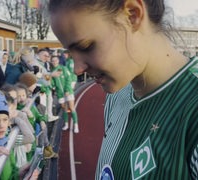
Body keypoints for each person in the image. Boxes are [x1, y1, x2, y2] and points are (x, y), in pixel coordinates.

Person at [48, 0, 198, 179]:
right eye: (71, 54)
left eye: (86, 46)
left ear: (132, 14)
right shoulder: (117, 93)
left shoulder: (192, 109)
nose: (77, 69)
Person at [0, 91, 39, 180]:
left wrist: (19, 174)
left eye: (5, 119)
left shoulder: (6, 139)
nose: (1, 125)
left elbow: (10, 174)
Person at [50, 56, 79, 133]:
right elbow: (52, 83)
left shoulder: (63, 68)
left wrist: (67, 90)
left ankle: (76, 125)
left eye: (55, 60)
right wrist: (51, 83)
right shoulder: (52, 71)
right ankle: (66, 124)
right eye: (52, 61)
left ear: (58, 61)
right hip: (60, 93)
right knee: (64, 109)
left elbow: (68, 79)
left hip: (68, 91)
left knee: (72, 108)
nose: (54, 62)